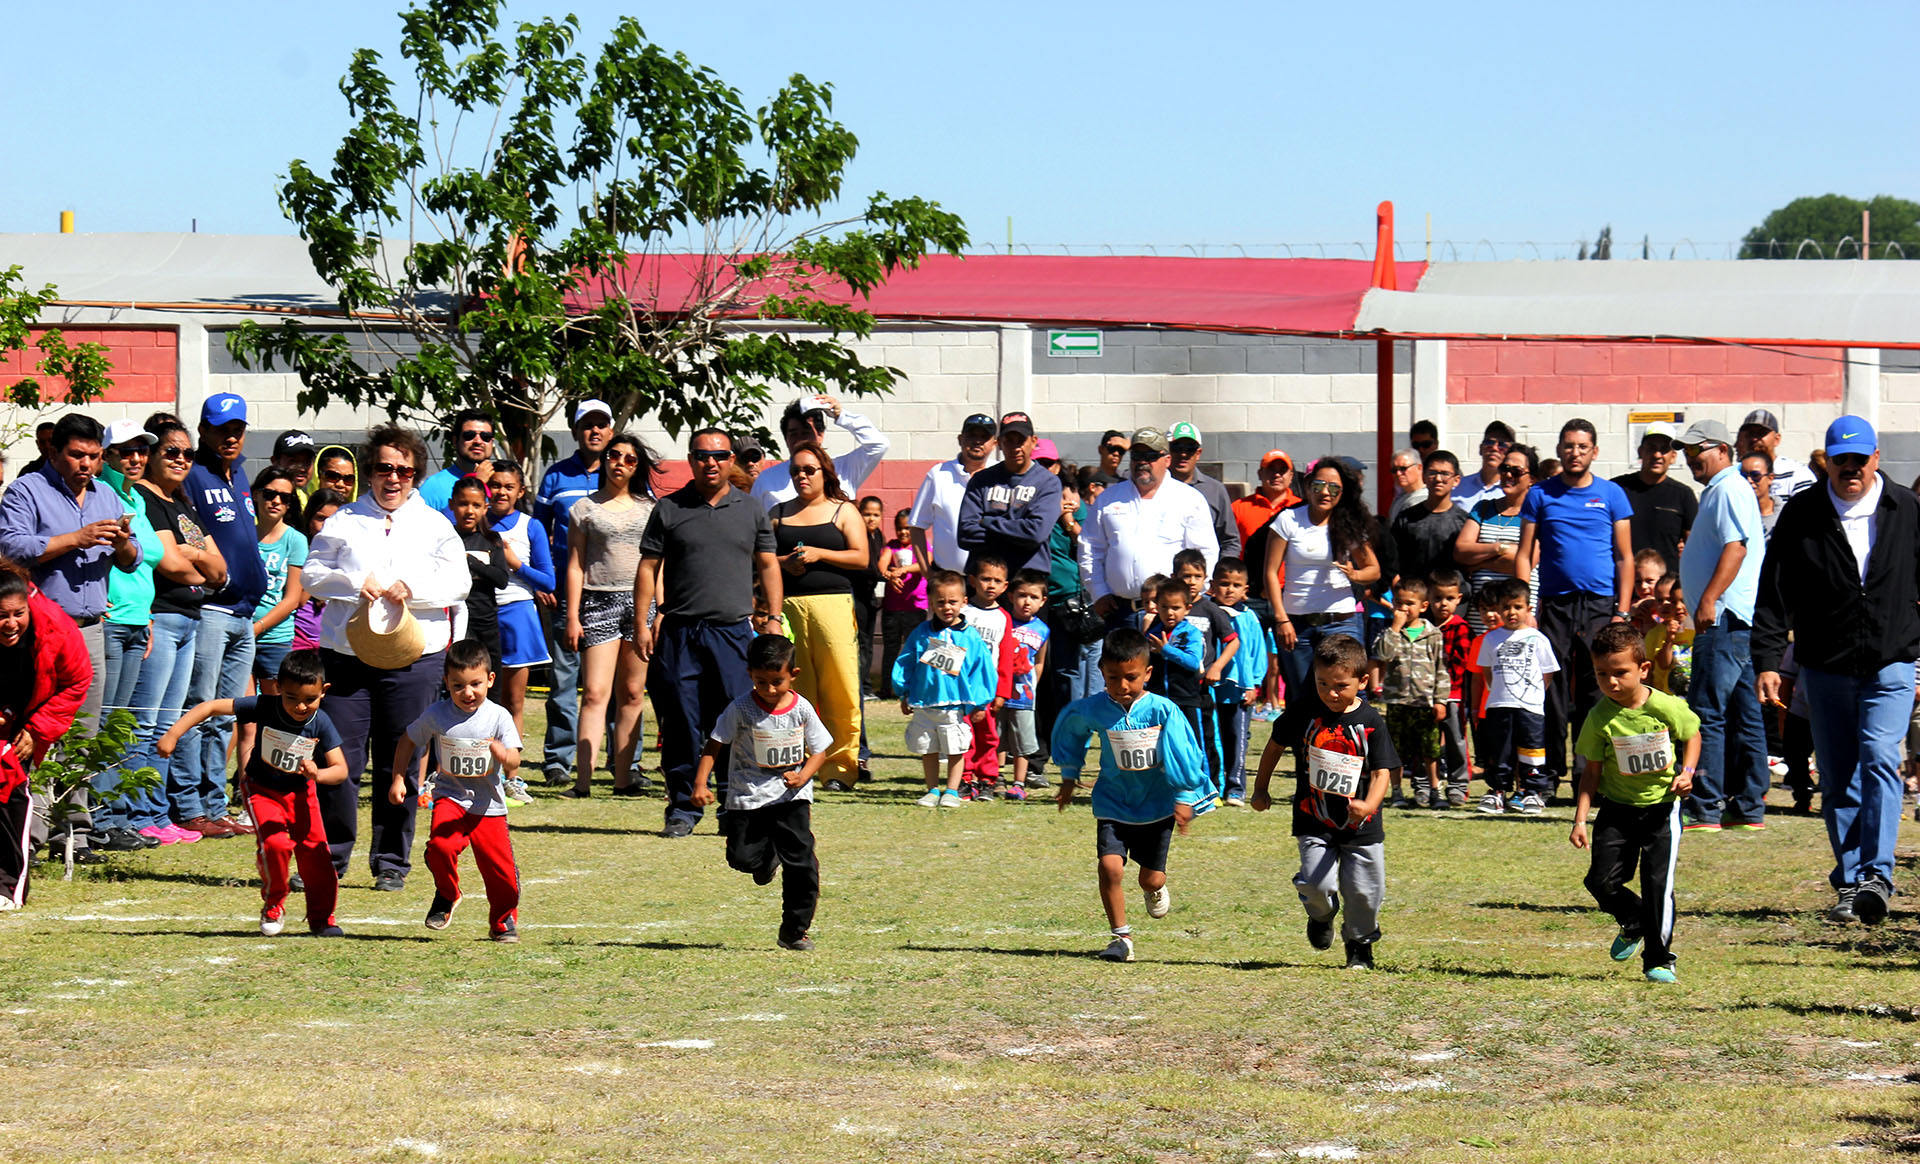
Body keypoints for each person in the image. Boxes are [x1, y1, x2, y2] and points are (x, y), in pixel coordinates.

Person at [1754, 415, 1920, 926]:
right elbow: (1774, 590)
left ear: (1876, 459)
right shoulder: (1802, 512)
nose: (1850, 468)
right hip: (1825, 664)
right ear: (1827, 461)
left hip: (1892, 658)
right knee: (1840, 774)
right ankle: (1851, 881)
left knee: (1877, 756)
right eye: (1840, 459)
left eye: (1860, 458)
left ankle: (1878, 875)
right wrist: (1766, 660)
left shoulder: (1907, 509)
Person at [303, 426, 471, 890]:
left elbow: (460, 583)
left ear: (416, 475)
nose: (393, 478)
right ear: (369, 471)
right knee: (340, 761)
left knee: (400, 761)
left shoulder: (436, 524)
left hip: (414, 657)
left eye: (404, 470)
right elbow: (313, 575)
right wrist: (354, 581)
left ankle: (392, 862)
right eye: (383, 468)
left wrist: (412, 590)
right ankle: (330, 859)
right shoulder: (342, 521)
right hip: (346, 656)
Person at [635, 430, 782, 838]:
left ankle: (731, 806)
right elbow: (647, 569)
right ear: (691, 458)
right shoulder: (668, 508)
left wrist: (773, 618)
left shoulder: (751, 509)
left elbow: (768, 566)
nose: (711, 463)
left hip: (733, 634)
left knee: (733, 721)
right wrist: (642, 623)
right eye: (702, 456)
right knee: (680, 722)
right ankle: (682, 808)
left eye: (719, 456)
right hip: (680, 633)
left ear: (731, 459)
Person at [160, 649, 347, 937]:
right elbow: (209, 708)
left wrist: (317, 774)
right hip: (262, 789)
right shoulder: (264, 705)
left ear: (324, 691)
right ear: (278, 689)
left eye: (309, 700)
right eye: (291, 698)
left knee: (316, 856)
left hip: (302, 794)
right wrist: (173, 734)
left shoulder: (320, 722)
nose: (300, 707)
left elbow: (340, 769)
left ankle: (322, 920)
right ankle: (274, 904)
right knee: (276, 845)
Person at [1052, 627, 1211, 963]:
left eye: (1131, 677)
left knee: (1150, 877)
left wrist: (1184, 794)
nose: (1122, 686)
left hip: (1156, 807)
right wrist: (1069, 775)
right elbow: (1072, 729)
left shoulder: (1162, 710)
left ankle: (1154, 887)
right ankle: (1120, 938)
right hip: (1113, 803)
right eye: (1113, 678)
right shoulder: (1095, 708)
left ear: (1147, 673)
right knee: (1110, 867)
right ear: (1101, 673)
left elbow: (1183, 750)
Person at [1252, 633, 1396, 971]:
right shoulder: (1303, 711)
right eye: (1323, 683)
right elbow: (1274, 745)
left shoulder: (1371, 722)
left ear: (1363, 680)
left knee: (1364, 893)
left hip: (1361, 825)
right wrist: (1260, 788)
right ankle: (1321, 914)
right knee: (1317, 884)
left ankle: (1360, 946)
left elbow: (1382, 772)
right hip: (1313, 818)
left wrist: (1369, 805)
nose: (1331, 693)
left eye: (1341, 686)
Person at [1570, 623, 1702, 984]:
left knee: (1658, 885)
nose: (1610, 682)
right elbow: (1590, 774)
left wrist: (1687, 772)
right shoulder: (1599, 717)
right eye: (1601, 674)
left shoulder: (1666, 707)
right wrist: (1580, 819)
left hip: (1662, 808)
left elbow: (1692, 735)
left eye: (1620, 673)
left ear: (1643, 670)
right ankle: (1633, 919)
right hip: (1617, 809)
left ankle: (1658, 960)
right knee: (1600, 881)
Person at [1514, 420, 1633, 797]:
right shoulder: (1540, 495)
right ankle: (1546, 779)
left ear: (1594, 451)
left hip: (1600, 608)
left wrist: (1622, 612)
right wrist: (1526, 608)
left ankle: (1590, 780)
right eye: (1568, 446)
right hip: (1556, 608)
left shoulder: (1612, 495)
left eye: (1582, 446)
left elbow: (1625, 558)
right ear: (1559, 450)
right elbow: (1523, 554)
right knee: (1550, 694)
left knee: (1597, 694)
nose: (1575, 453)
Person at [693, 633, 831, 951]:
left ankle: (794, 931)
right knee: (741, 858)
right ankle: (767, 856)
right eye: (760, 682)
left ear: (793, 675)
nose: (769, 690)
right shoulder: (740, 708)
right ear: (750, 675)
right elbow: (715, 743)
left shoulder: (802, 709)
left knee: (802, 864)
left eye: (776, 681)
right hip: (748, 796)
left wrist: (804, 776)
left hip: (790, 797)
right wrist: (701, 783)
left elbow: (820, 750)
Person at [126, 420, 228, 842]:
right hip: (163, 617)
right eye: (171, 451)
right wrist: (197, 564)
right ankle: (134, 813)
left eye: (187, 453)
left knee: (169, 722)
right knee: (145, 722)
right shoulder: (148, 500)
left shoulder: (182, 504)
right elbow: (169, 563)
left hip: (190, 619)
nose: (181, 459)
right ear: (152, 456)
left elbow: (221, 569)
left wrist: (195, 557)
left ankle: (157, 810)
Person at [177, 393, 271, 837]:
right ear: (204, 431)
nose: (230, 436)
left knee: (227, 715)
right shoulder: (193, 475)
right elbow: (189, 531)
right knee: (200, 707)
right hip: (212, 609)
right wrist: (213, 577)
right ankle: (190, 805)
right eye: (220, 428)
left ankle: (216, 807)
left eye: (236, 428)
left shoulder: (240, 475)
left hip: (243, 613)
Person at [392, 639, 524, 942]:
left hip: (488, 806)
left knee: (502, 876)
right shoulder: (437, 715)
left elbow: (515, 755)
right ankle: (448, 893)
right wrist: (399, 778)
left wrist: (505, 756)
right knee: (440, 847)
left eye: (475, 684)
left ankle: (502, 920)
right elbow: (408, 740)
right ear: (446, 683)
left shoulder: (498, 716)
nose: (467, 693)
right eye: (458, 686)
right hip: (451, 797)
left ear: (490, 680)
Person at [1675, 419, 1769, 832]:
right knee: (1744, 713)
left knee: (1706, 711)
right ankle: (1748, 805)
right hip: (1735, 618)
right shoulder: (1725, 489)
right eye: (1687, 452)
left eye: (1697, 450)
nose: (1690, 458)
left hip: (1723, 618)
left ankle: (1705, 805)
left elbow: (1737, 546)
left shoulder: (1728, 488)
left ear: (1723, 450)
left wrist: (1709, 598)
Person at [767, 442, 867, 791]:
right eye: (796, 471)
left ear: (825, 472)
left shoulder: (843, 511)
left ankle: (840, 769)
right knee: (796, 691)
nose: (802, 476)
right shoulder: (778, 512)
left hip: (833, 606)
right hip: (790, 609)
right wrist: (785, 562)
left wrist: (818, 554)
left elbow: (861, 558)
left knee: (840, 688)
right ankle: (798, 764)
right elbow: (760, 560)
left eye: (810, 470)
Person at [562, 434, 657, 798]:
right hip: (597, 602)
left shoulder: (650, 508)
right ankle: (581, 783)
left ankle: (623, 780)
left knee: (632, 693)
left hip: (641, 604)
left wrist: (657, 610)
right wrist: (573, 615)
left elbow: (656, 564)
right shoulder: (583, 509)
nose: (619, 463)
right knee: (595, 694)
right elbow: (575, 564)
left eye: (629, 459)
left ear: (637, 466)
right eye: (613, 455)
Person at [0, 560, 96, 909]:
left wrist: (38, 729)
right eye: (1, 616)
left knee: (9, 790)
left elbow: (77, 679)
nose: (11, 624)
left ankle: (8, 886)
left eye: (18, 614)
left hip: (28, 714)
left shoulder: (54, 626)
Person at [535, 399, 614, 786]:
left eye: (601, 425)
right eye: (587, 425)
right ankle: (558, 761)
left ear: (611, 431)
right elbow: (537, 534)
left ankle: (623, 762)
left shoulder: (623, 471)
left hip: (616, 592)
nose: (594, 432)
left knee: (614, 684)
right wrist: (544, 583)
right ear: (577, 431)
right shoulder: (555, 477)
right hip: (568, 593)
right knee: (564, 681)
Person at [92, 421, 163, 852]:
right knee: (106, 723)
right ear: (106, 456)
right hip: (113, 622)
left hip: (139, 621)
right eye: (123, 451)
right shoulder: (104, 495)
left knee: (124, 724)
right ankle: (100, 819)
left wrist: (148, 615)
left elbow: (147, 561)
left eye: (140, 450)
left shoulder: (137, 497)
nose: (134, 458)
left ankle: (116, 815)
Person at [1263, 457, 1380, 703]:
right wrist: (1282, 619)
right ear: (1307, 487)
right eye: (1318, 486)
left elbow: (1374, 570)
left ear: (1343, 491)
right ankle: (1307, 743)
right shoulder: (1288, 520)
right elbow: (1271, 573)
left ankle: (1356, 742)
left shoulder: (1348, 524)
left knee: (1349, 695)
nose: (1325, 492)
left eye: (1333, 488)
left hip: (1341, 621)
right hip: (1296, 626)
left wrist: (1355, 575)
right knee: (1303, 698)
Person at [1081, 427, 1219, 622]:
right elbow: (1090, 547)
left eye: (1151, 456)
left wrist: (1191, 599)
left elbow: (1204, 553)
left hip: (1171, 616)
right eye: (1137, 455)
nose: (1143, 462)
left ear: (1167, 460)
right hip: (1120, 611)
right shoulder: (1108, 499)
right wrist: (1098, 592)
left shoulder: (1190, 499)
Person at [894, 568, 995, 807]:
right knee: (927, 747)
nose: (947, 607)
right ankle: (932, 789)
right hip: (924, 702)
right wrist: (904, 691)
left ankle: (952, 790)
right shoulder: (921, 633)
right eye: (940, 602)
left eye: (953, 601)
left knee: (955, 748)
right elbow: (906, 662)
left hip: (954, 705)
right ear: (930, 603)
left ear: (964, 602)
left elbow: (982, 670)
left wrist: (981, 702)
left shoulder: (971, 637)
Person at [232, 468, 309, 784]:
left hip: (274, 638)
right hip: (238, 635)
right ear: (256, 495)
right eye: (269, 493)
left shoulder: (295, 540)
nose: (275, 501)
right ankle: (245, 788)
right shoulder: (240, 533)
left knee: (281, 719)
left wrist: (257, 627)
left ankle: (280, 782)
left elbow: (292, 598)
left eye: (284, 497)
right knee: (246, 722)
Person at [1473, 577, 1561, 815]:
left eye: (1517, 607)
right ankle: (1498, 792)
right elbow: (1487, 672)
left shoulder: (1538, 639)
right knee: (1500, 750)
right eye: (1506, 607)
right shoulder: (1491, 639)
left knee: (1531, 749)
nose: (1511, 612)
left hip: (1530, 707)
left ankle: (1532, 792)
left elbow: (1548, 673)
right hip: (1499, 704)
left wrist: (1533, 695)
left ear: (1528, 608)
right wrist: (1499, 692)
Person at [484, 460, 555, 740]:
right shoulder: (475, 520)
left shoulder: (531, 526)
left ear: (520, 492)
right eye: (495, 485)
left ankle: (511, 775)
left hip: (518, 613)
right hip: (481, 612)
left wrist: (515, 563)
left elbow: (548, 581)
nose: (501, 492)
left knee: (514, 702)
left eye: (509, 487)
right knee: (480, 700)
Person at [1372, 578, 1447, 809]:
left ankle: (1435, 791)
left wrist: (1440, 700)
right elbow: (1382, 655)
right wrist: (1395, 628)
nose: (1403, 608)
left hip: (1424, 702)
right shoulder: (1390, 632)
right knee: (1395, 750)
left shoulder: (1433, 634)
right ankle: (1396, 792)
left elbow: (1441, 669)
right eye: (1398, 603)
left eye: (1409, 603)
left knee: (1430, 750)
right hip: (1397, 701)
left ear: (1423, 606)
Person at [957, 411, 1062, 574]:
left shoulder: (1048, 483)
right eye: (1009, 441)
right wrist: (1018, 533)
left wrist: (987, 522)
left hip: (1026, 581)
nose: (1015, 447)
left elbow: (1035, 533)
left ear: (1033, 442)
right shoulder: (981, 480)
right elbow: (965, 535)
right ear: (999, 443)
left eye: (1021, 440)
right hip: (983, 581)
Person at [1454, 443, 1539, 634]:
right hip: (1480, 616)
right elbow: (1460, 551)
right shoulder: (1483, 508)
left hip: (1516, 616)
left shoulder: (1536, 514)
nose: (1508, 475)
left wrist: (1477, 563)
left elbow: (1529, 560)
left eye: (1516, 471)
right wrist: (1501, 548)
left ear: (1531, 479)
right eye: (1504, 469)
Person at [751, 394, 891, 509]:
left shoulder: (844, 469)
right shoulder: (767, 480)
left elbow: (879, 445)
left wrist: (841, 415)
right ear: (786, 439)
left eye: (806, 432)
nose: (800, 440)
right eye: (793, 434)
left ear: (821, 435)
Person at [959, 553, 1019, 798]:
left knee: (989, 736)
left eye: (997, 581)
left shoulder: (1003, 617)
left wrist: (1002, 692)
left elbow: (1006, 658)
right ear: (973, 580)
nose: (991, 585)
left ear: (1005, 586)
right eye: (985, 579)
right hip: (961, 687)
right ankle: (964, 778)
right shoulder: (963, 611)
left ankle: (988, 779)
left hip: (987, 689)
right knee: (963, 735)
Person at [909, 413, 997, 572]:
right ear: (960, 439)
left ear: (994, 443)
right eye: (971, 435)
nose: (977, 441)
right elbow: (916, 526)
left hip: (990, 583)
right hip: (947, 581)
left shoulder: (1002, 476)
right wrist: (927, 574)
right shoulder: (939, 475)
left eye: (984, 437)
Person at [1209, 558, 1265, 807]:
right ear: (1212, 585)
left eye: (1235, 585)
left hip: (1240, 689)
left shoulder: (1249, 618)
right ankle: (1212, 785)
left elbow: (1257, 652)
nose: (1229, 590)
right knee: (1213, 738)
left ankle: (1235, 788)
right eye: (1223, 583)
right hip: (1210, 689)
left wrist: (1254, 684)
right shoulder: (1205, 613)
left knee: (1237, 738)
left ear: (1245, 590)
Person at [1610, 421, 1697, 574]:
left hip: (1666, 591)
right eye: (1651, 448)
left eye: (1664, 450)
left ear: (1673, 456)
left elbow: (1695, 547)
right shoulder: (1616, 489)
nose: (1657, 455)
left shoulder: (1683, 495)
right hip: (1621, 585)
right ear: (1640, 452)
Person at [1231, 450, 1298, 627]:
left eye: (1282, 470)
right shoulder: (1239, 508)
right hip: (1251, 596)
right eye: (1270, 469)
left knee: (1290, 652)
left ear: (1291, 476)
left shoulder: (1301, 509)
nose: (1276, 475)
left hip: (1290, 596)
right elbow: (1230, 548)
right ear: (1260, 474)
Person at [450, 476, 511, 666]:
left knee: (490, 677)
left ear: (485, 508)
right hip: (454, 620)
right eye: (463, 504)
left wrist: (474, 564)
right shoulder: (446, 538)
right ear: (452, 505)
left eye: (476, 505)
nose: (469, 511)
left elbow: (502, 580)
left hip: (486, 622)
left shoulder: (491, 540)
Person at [1002, 569, 1051, 795]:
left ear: (1042, 601)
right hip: (998, 691)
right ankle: (995, 776)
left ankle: (1019, 783)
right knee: (997, 736)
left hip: (1024, 695)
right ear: (1011, 596)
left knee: (1022, 740)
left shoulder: (1042, 630)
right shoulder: (1001, 620)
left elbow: (1039, 661)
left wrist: (1034, 684)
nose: (1026, 602)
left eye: (1033, 597)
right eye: (1022, 595)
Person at [1427, 568, 1473, 807]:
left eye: (1448, 598)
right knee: (1426, 741)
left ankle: (1458, 785)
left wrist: (1442, 696)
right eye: (1436, 598)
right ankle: (1425, 784)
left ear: (1459, 599)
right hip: (1424, 697)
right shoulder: (1423, 627)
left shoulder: (1461, 628)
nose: (1442, 604)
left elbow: (1459, 667)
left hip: (1453, 696)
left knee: (1456, 740)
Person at [1389, 450, 1468, 588]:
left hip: (1451, 600)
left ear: (1456, 480)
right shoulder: (1406, 518)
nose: (1438, 479)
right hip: (1414, 598)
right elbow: (1393, 561)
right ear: (1424, 477)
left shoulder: (1465, 521)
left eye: (1445, 474)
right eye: (1432, 473)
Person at [1165, 422, 1240, 560]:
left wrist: (1218, 572)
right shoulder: (1153, 489)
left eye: (1190, 449)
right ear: (1167, 451)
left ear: (1198, 453)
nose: (1183, 454)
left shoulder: (1215, 490)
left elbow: (1230, 541)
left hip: (1201, 578)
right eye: (1177, 448)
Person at [878, 507, 927, 699]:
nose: (903, 532)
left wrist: (904, 569)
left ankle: (914, 687)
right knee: (890, 649)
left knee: (914, 649)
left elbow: (925, 563)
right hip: (892, 608)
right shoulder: (891, 546)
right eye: (899, 528)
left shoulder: (921, 546)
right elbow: (882, 565)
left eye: (907, 528)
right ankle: (886, 687)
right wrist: (890, 575)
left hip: (916, 607)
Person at [291, 490, 346, 653]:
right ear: (308, 520)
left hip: (336, 642)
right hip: (301, 640)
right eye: (320, 518)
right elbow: (299, 600)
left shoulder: (348, 558)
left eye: (334, 520)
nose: (326, 526)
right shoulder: (300, 552)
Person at [417, 410, 498, 512]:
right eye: (469, 435)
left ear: (492, 442)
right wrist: (477, 483)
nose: (478, 441)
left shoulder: (501, 484)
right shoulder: (434, 486)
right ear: (455, 441)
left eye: (485, 437)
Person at [1736, 408, 1817, 503]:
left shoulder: (1797, 474)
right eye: (1750, 434)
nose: (1754, 439)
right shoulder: (1735, 474)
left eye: (1761, 433)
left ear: (1777, 439)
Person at [853, 496, 887, 704]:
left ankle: (865, 685)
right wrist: (883, 575)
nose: (871, 519)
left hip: (870, 595)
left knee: (867, 642)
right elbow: (866, 566)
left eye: (876, 515)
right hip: (856, 594)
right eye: (867, 514)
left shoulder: (878, 537)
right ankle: (861, 686)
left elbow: (877, 564)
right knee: (861, 641)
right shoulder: (858, 536)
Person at [1452, 422, 1517, 512]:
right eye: (1489, 442)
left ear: (1510, 453)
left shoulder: (1513, 491)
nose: (1494, 448)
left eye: (1502, 445)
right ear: (1480, 448)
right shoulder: (1457, 486)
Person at [1384, 447, 1427, 524]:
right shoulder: (1399, 499)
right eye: (1394, 470)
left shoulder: (1426, 499)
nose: (1398, 473)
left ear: (1419, 467)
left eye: (1403, 468)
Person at [1741, 451, 1779, 539]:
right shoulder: (1735, 515)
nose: (1749, 480)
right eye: (1743, 476)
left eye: (1755, 475)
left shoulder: (1787, 514)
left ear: (1770, 478)